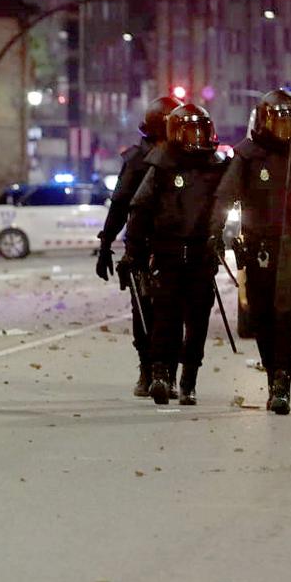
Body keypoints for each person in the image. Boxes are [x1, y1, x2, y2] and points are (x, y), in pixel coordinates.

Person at [208, 88, 291, 415]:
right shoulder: (248, 154)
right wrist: (215, 232)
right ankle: (272, 371)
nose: (286, 129)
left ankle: (282, 382)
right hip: (258, 246)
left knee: (285, 314)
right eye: (280, 122)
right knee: (261, 314)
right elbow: (225, 196)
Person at [124, 103, 229, 406]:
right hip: (167, 255)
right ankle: (159, 374)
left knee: (196, 322)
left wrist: (219, 237)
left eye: (201, 130)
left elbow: (230, 203)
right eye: (190, 131)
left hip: (201, 257)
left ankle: (189, 380)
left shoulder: (217, 167)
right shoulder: (161, 166)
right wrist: (133, 250)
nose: (196, 137)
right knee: (165, 318)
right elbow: (139, 208)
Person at [95, 95, 181, 397]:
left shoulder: (186, 157)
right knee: (144, 313)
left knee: (173, 314)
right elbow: (119, 204)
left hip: (177, 247)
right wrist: (106, 243)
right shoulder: (136, 159)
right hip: (142, 247)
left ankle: (169, 373)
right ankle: (148, 370)